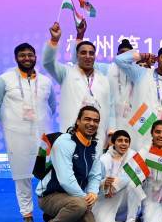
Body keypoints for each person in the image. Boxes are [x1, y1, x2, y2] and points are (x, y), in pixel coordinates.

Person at [0, 43, 56, 222]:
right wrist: (9, 122)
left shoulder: (45, 81)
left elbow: (52, 106)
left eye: (30, 55)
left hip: (42, 136)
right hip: (17, 136)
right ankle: (27, 216)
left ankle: (49, 213)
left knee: (48, 176)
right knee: (22, 177)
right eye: (22, 55)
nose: (27, 58)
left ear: (35, 57)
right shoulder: (4, 80)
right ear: (16, 58)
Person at [36, 106, 102, 222]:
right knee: (78, 205)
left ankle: (54, 217)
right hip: (50, 195)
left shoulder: (94, 146)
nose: (92, 123)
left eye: (96, 121)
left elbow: (95, 175)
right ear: (78, 121)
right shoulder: (64, 142)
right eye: (87, 119)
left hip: (74, 198)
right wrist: (85, 199)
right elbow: (66, 180)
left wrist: (92, 193)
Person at [43, 22, 113, 150]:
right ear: (77, 55)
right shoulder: (66, 73)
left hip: (98, 138)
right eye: (83, 53)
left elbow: (110, 108)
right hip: (71, 135)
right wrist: (54, 40)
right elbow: (48, 63)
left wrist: (110, 133)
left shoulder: (104, 79)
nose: (88, 56)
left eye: (91, 53)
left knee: (95, 169)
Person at [115, 45, 162, 150]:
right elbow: (119, 60)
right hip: (143, 126)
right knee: (141, 160)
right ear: (157, 59)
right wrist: (142, 56)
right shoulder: (142, 73)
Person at [92, 130, 143, 222]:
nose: (123, 143)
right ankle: (115, 221)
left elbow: (138, 176)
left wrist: (114, 185)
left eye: (126, 141)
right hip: (106, 198)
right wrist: (105, 185)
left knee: (134, 183)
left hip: (123, 198)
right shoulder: (104, 159)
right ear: (113, 142)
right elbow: (93, 185)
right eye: (120, 140)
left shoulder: (134, 155)